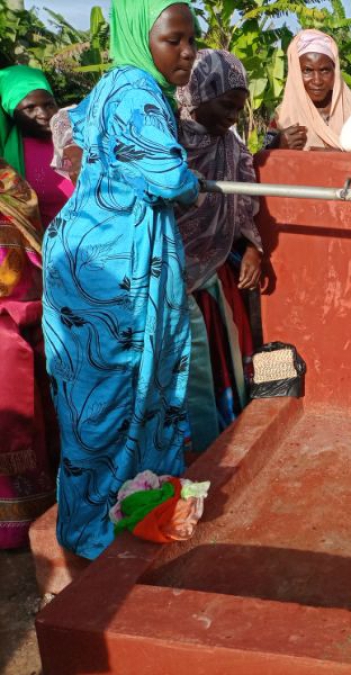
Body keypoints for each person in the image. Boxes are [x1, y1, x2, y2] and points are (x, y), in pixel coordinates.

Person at [42, 0, 199, 560]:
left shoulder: (113, 84)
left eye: (191, 41)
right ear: (142, 36)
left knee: (91, 400)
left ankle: (98, 520)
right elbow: (168, 175)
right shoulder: (138, 91)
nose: (187, 54)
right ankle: (103, 539)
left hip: (86, 258)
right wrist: (194, 180)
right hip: (115, 271)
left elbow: (76, 129)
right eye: (173, 40)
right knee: (118, 396)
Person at [175, 49, 263, 453]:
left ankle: (222, 442)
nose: (232, 117)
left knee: (220, 367)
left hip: (213, 276)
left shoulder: (231, 146)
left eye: (238, 108)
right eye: (226, 105)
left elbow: (242, 205)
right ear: (198, 92)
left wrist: (252, 248)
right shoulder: (165, 136)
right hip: (167, 282)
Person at [0, 159, 57, 549]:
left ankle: (27, 520)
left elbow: (30, 247)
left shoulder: (8, 180)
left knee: (28, 424)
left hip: (22, 319)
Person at [0, 65, 73, 226]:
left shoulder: (74, 140)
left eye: (49, 104)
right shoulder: (8, 159)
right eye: (30, 108)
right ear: (13, 113)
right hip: (47, 246)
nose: (44, 115)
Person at [265, 28, 351, 151]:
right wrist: (277, 145)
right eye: (307, 71)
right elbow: (262, 162)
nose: (317, 81)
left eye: (325, 70)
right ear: (296, 74)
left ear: (334, 72)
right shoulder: (283, 116)